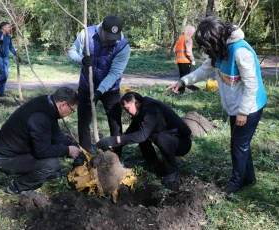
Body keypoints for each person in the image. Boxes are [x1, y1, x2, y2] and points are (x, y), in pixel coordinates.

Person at [167, 17, 267, 195]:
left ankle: (236, 184)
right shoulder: (218, 51)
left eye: (207, 45)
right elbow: (203, 72)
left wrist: (243, 112)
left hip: (250, 107)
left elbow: (252, 84)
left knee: (238, 144)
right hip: (236, 107)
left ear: (216, 39)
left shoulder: (240, 51)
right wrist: (182, 81)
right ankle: (249, 178)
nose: (206, 50)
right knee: (241, 143)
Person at [0, 87, 84, 195]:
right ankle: (17, 187)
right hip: (5, 159)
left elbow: (56, 135)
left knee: (52, 159)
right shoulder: (40, 117)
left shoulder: (47, 103)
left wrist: (72, 147)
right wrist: (67, 150)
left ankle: (32, 172)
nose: (70, 113)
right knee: (51, 164)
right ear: (63, 104)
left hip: (20, 150)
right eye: (72, 110)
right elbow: (42, 151)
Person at [95, 92, 192, 185]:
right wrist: (113, 143)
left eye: (128, 108)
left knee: (155, 138)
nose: (128, 112)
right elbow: (131, 132)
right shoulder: (140, 111)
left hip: (182, 143)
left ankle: (172, 171)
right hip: (166, 137)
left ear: (135, 103)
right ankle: (152, 162)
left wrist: (114, 140)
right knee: (140, 135)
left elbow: (141, 136)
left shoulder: (151, 109)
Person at [68, 16, 130, 156]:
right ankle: (85, 154)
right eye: (108, 36)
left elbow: (114, 73)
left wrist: (99, 91)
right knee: (83, 121)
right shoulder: (87, 33)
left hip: (110, 89)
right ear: (101, 29)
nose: (111, 40)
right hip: (86, 85)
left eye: (114, 37)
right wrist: (82, 60)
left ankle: (115, 156)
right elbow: (72, 52)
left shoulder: (123, 46)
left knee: (115, 122)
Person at [0, 22, 21, 97]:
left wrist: (17, 55)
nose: (10, 28)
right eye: (8, 27)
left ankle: (1, 93)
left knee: (5, 76)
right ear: (3, 28)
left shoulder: (8, 37)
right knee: (4, 75)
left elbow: (11, 47)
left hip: (5, 58)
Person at [175, 25, 199, 92]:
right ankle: (187, 88)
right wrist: (192, 59)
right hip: (185, 61)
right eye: (193, 32)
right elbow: (188, 51)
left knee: (182, 77)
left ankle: (181, 90)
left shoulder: (180, 39)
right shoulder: (188, 39)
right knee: (186, 77)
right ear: (191, 32)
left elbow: (176, 51)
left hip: (179, 61)